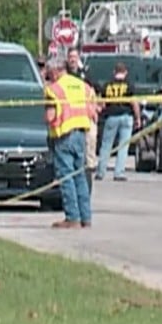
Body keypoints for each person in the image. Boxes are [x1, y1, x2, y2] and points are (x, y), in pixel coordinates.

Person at [44, 59, 95, 228]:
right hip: (81, 134)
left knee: (66, 177)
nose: (48, 76)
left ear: (55, 71)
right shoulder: (83, 86)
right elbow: (92, 110)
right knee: (80, 176)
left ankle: (72, 217)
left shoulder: (54, 90)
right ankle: (85, 217)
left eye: (49, 73)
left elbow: (50, 116)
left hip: (64, 136)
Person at [95, 62, 141, 181]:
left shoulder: (107, 85)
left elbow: (102, 103)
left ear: (114, 72)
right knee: (123, 146)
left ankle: (100, 172)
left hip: (111, 116)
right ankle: (119, 173)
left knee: (106, 146)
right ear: (125, 72)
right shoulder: (129, 84)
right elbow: (133, 102)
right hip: (126, 116)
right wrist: (138, 118)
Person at [65, 48, 99, 191]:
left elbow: (93, 92)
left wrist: (94, 109)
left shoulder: (84, 75)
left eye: (75, 57)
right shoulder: (64, 75)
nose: (72, 59)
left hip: (86, 118)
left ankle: (88, 176)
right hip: (69, 120)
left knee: (89, 147)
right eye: (70, 57)